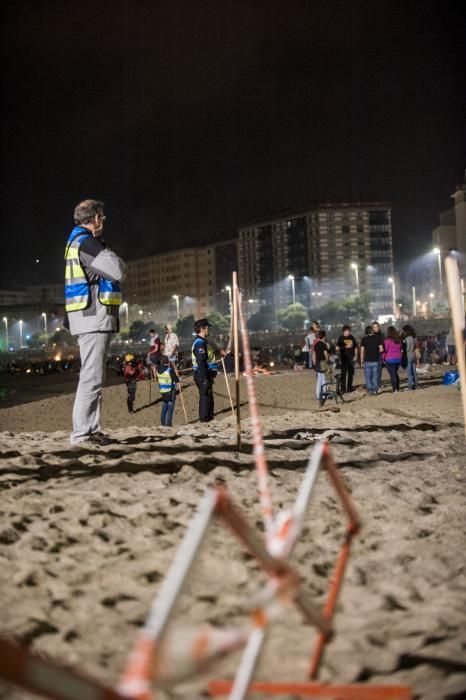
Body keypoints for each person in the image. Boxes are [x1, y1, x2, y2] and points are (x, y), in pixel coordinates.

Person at [65, 199, 125, 445]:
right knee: (91, 378)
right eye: (103, 218)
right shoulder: (87, 243)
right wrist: (111, 254)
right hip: (92, 317)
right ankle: (82, 434)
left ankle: (91, 430)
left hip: (88, 317)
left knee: (93, 377)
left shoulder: (77, 241)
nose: (103, 222)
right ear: (96, 218)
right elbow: (118, 270)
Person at [192, 318, 218, 422]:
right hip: (202, 374)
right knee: (205, 397)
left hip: (206, 373)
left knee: (208, 397)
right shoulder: (199, 343)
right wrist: (204, 378)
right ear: (202, 329)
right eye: (207, 328)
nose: (208, 330)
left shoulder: (202, 342)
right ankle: (204, 419)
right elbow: (201, 361)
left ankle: (208, 418)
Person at [156, 355, 180, 426]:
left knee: (164, 406)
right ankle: (168, 423)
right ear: (168, 362)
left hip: (163, 391)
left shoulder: (158, 370)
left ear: (161, 362)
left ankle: (163, 423)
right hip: (170, 390)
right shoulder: (169, 370)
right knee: (170, 407)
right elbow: (176, 380)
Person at [360, 326, 383, 395]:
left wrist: (361, 360)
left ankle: (370, 390)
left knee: (368, 376)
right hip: (375, 360)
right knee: (375, 376)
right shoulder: (377, 338)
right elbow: (381, 349)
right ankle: (375, 389)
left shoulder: (364, 339)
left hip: (367, 361)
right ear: (372, 331)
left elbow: (362, 351)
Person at [336, 325, 358, 393]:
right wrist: (345, 346)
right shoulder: (341, 338)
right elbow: (337, 348)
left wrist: (356, 356)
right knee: (344, 373)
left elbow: (355, 347)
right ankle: (343, 388)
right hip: (344, 358)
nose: (348, 332)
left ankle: (349, 387)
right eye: (346, 331)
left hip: (351, 358)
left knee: (351, 373)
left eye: (349, 331)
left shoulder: (352, 337)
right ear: (343, 331)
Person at [383, 326, 402, 392]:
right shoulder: (398, 340)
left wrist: (383, 358)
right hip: (398, 359)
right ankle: (397, 387)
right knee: (395, 373)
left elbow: (385, 350)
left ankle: (395, 389)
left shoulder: (387, 341)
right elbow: (400, 349)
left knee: (392, 374)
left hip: (389, 359)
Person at [312, 330, 329, 400]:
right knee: (324, 379)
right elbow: (326, 354)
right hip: (323, 362)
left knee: (319, 379)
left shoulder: (316, 344)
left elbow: (314, 354)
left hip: (318, 362)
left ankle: (318, 395)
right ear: (324, 337)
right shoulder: (324, 344)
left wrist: (314, 362)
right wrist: (327, 361)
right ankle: (324, 395)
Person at [402, 325, 420, 390]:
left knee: (409, 372)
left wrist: (403, 349)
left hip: (408, 354)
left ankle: (410, 386)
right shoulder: (413, 337)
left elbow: (408, 348)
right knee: (414, 371)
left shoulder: (407, 338)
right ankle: (416, 385)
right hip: (413, 354)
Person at [372, 321, 385, 389]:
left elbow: (384, 344)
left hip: (380, 354)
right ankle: (375, 383)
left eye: (376, 327)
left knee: (379, 370)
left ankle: (378, 383)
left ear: (379, 327)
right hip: (373, 354)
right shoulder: (371, 335)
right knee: (374, 370)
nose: (375, 328)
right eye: (374, 327)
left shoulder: (382, 335)